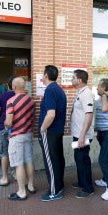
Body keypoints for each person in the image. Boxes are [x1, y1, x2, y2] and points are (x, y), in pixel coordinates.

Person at [38, 65, 67, 202]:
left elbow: (50, 115)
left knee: (51, 161)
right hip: (57, 130)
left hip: (50, 131)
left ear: (45, 76)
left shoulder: (50, 90)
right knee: (57, 159)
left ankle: (54, 192)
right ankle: (58, 186)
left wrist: (42, 128)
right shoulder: (59, 90)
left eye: (43, 75)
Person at [4, 77, 36, 201]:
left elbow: (9, 121)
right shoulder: (30, 100)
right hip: (28, 134)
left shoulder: (11, 101)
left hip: (16, 136)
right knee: (29, 160)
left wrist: (6, 125)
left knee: (18, 164)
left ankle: (22, 192)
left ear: (14, 87)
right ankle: (31, 186)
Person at [70, 69, 95, 198]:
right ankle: (81, 182)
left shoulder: (86, 94)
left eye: (73, 77)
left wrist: (82, 135)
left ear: (79, 80)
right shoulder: (80, 92)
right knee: (78, 158)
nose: (71, 79)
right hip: (78, 133)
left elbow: (89, 115)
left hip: (82, 135)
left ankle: (88, 188)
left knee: (83, 159)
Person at [0, 76, 15, 186]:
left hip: (3, 127)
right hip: (16, 128)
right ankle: (16, 173)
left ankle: (5, 177)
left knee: (4, 152)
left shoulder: (1, 96)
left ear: (8, 85)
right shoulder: (20, 96)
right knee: (15, 151)